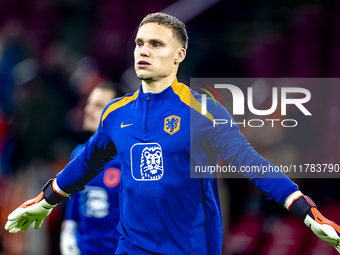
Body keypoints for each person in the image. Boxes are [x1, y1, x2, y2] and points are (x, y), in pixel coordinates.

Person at [4, 13, 340, 255]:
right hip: (131, 247)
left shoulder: (203, 111)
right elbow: (86, 163)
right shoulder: (116, 114)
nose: (143, 51)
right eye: (139, 43)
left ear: (179, 55)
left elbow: (253, 164)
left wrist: (304, 210)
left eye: (155, 44)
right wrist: (45, 201)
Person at [60, 83, 123, 255]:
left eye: (98, 106)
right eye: (89, 104)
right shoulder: (78, 154)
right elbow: (73, 203)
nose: (88, 110)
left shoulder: (130, 159)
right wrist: (67, 236)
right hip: (84, 249)